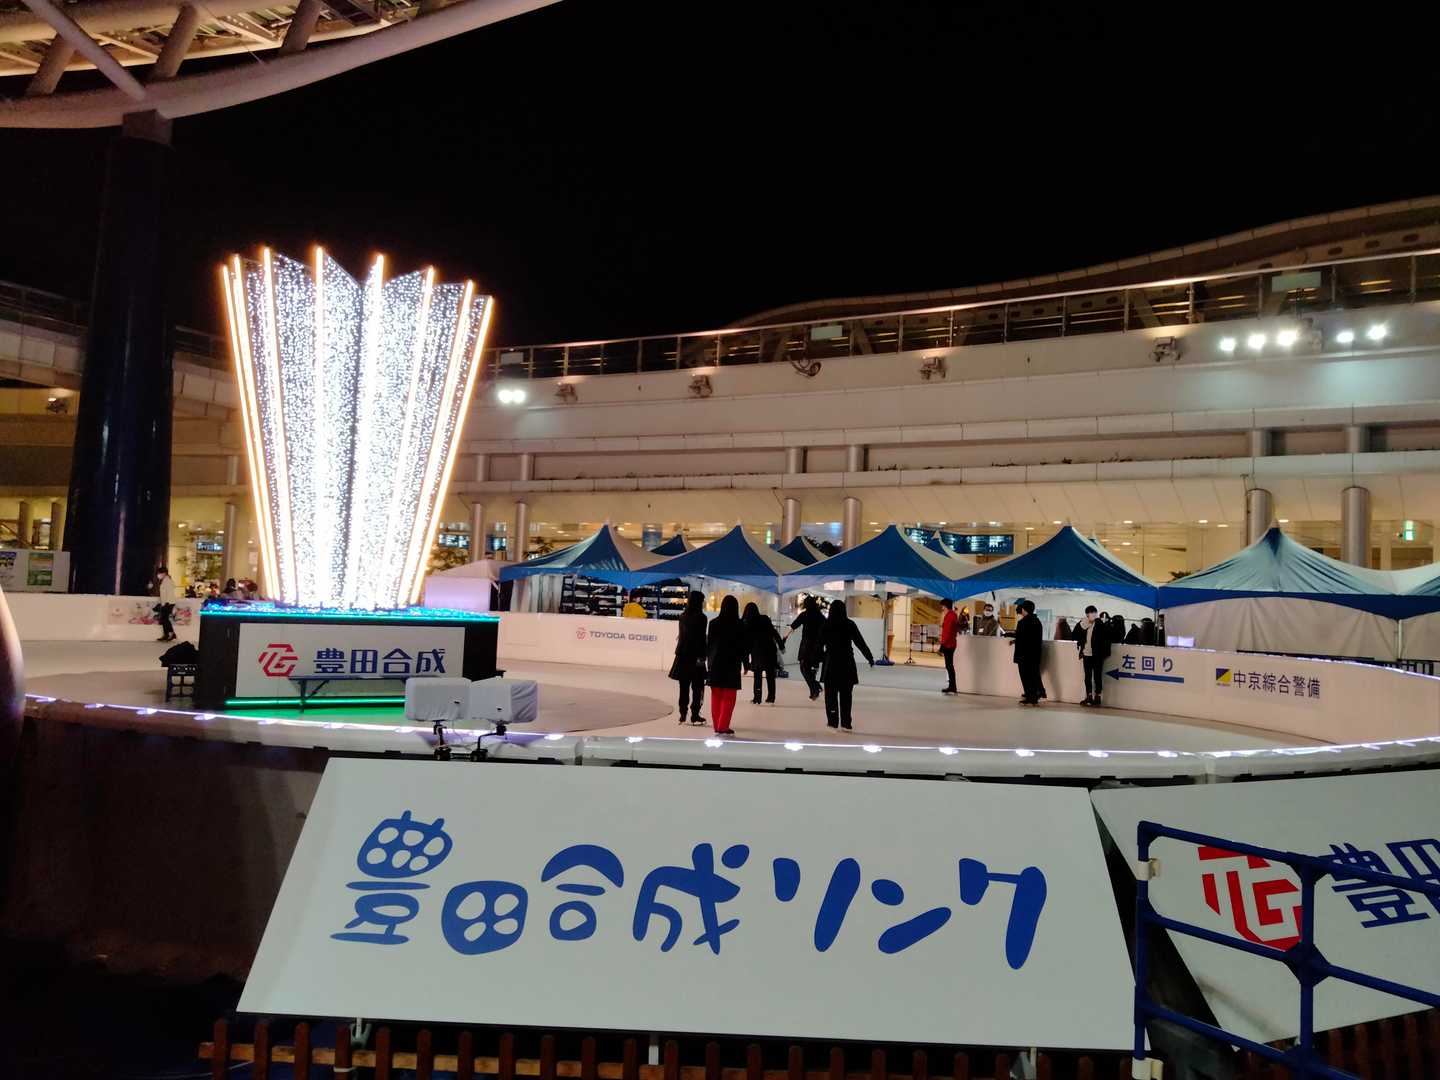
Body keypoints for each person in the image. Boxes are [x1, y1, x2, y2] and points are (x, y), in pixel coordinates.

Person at [819, 601, 875, 730]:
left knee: (831, 695)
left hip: (831, 663)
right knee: (846, 695)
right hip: (847, 663)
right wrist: (869, 657)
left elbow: (819, 644)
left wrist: (818, 660)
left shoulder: (827, 624)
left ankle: (833, 722)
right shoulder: (850, 624)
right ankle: (846, 722)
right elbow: (860, 642)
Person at [706, 595, 746, 736]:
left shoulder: (713, 623)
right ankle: (723, 726)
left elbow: (709, 645)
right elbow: (742, 647)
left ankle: (717, 726)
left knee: (716, 696)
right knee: (729, 697)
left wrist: (709, 662)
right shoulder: (740, 624)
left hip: (715, 663)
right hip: (732, 664)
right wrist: (745, 663)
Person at [668, 590, 708, 725]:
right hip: (696, 657)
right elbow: (701, 639)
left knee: (683, 687)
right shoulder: (702, 618)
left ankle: (683, 713)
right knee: (698, 687)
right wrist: (703, 656)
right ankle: (695, 714)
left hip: (682, 656)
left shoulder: (683, 616)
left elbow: (682, 636)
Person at [742, 601, 784, 704]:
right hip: (770, 650)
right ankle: (771, 697)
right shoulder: (765, 618)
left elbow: (746, 644)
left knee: (758, 676)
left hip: (757, 652)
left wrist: (746, 663)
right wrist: (781, 645)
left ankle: (757, 698)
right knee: (770, 675)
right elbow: (774, 632)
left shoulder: (747, 623)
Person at [788, 595, 826, 700]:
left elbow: (793, 625)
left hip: (807, 645)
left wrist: (785, 636)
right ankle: (815, 689)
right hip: (818, 646)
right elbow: (826, 629)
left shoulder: (804, 614)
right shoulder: (820, 616)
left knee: (804, 667)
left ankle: (815, 688)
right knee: (812, 668)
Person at [1074, 604, 1111, 707]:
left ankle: (1097, 696)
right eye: (1090, 613)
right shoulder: (1083, 623)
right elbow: (1075, 634)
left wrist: (1105, 653)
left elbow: (1107, 639)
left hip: (1097, 655)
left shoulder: (1100, 624)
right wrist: (1083, 624)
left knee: (1097, 676)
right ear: (1087, 615)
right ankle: (1089, 695)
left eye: (1094, 613)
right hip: (1086, 654)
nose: (1092, 615)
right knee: (1088, 676)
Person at [1011, 599, 1044, 705]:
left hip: (1023, 655)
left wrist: (1011, 637)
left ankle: (1030, 697)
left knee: (1025, 676)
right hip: (1034, 654)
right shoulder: (1037, 621)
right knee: (1033, 675)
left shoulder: (1023, 622)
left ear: (1024, 609)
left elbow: (1020, 637)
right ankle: (1035, 695)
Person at [937, 598, 959, 694]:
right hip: (950, 643)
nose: (942, 608)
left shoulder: (950, 615)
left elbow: (947, 632)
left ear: (945, 606)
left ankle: (952, 687)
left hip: (948, 644)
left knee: (949, 666)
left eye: (942, 606)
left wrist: (942, 646)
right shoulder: (952, 615)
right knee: (949, 666)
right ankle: (952, 686)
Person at [154, 566, 177, 642]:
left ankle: (171, 633)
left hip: (168, 603)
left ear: (164, 573)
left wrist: (166, 603)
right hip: (165, 603)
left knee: (164, 619)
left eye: (159, 573)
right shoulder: (164, 581)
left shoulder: (168, 581)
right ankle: (166, 634)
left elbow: (169, 593)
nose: (158, 575)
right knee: (164, 619)